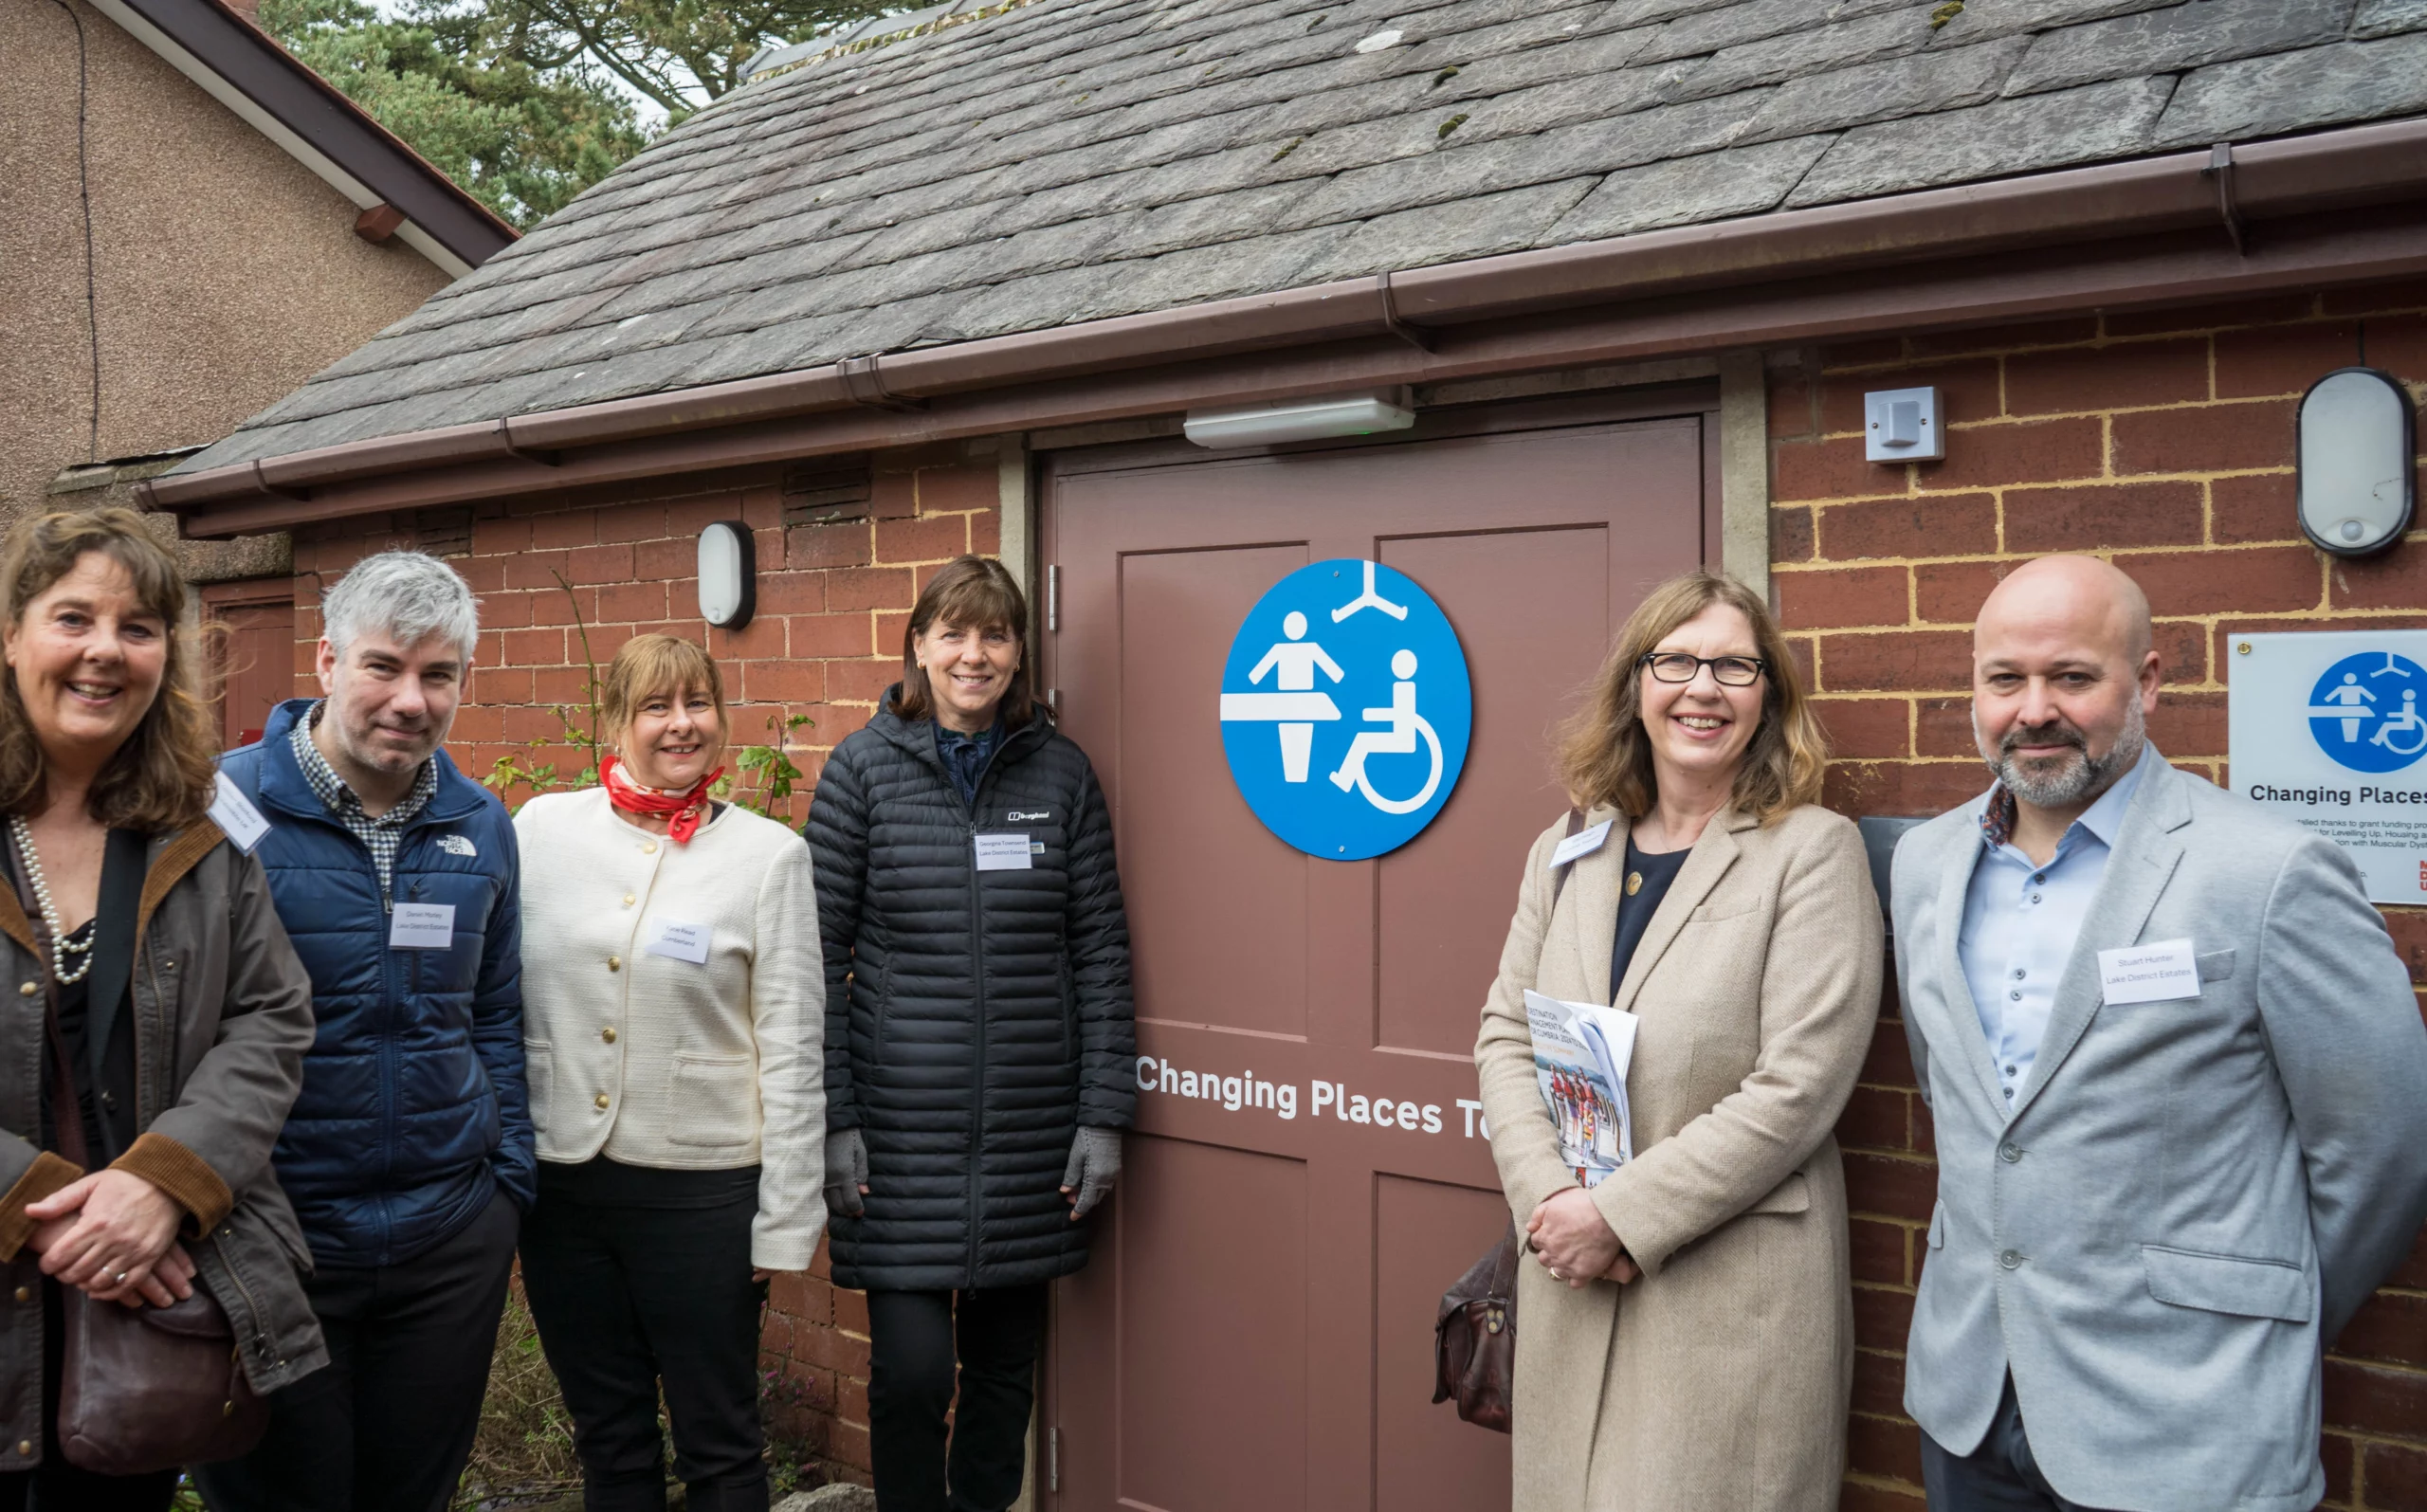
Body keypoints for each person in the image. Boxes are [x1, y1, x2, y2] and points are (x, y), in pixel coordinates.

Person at [1889, 556, 2427, 1512]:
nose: (2033, 708)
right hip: (1969, 1396)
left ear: (2146, 682)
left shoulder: (2265, 871)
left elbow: (2382, 1145)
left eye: (2073, 676)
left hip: (2191, 1411)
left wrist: (2261, 1314)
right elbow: (1964, 1101)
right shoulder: (1925, 864)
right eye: (2004, 678)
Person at [1473, 570, 1882, 1512]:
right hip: (1570, 1273)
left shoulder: (1811, 851)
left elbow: (1798, 1087)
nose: (1703, 687)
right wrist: (1553, 1207)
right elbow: (1504, 1033)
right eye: (1677, 661)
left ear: (1769, 698)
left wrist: (1617, 1216)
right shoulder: (1568, 843)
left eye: (1735, 666)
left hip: (1724, 1291)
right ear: (1635, 686)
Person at [0, 509, 322, 1511]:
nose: (106, 649)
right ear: (10, 634)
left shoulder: (199, 831)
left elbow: (272, 1018)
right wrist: (40, 1207)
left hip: (152, 1305)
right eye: (74, 618)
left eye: (140, 626)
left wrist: (163, 1182)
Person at [198, 552, 532, 1512]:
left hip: (444, 1244)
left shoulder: (481, 823)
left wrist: (504, 1185)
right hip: (270, 1239)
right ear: (328, 658)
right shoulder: (221, 807)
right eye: (384, 666)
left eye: (439, 674)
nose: (410, 699)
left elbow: (498, 1013)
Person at [806, 555, 1134, 1512]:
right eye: (952, 632)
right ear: (917, 644)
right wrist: (834, 1115)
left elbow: (1101, 948)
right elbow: (815, 956)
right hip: (897, 1142)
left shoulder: (1060, 773)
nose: (973, 654)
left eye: (994, 634)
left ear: (1019, 649)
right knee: (912, 1377)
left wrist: (1102, 1113)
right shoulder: (861, 771)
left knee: (1003, 1379)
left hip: (1032, 1139)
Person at [512, 633, 824, 1512]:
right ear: (615, 722)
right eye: (656, 706)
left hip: (702, 1195)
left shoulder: (769, 857)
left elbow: (794, 1049)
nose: (681, 725)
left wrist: (785, 1219)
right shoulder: (540, 831)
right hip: (562, 1186)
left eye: (698, 704)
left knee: (720, 1443)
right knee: (607, 1437)